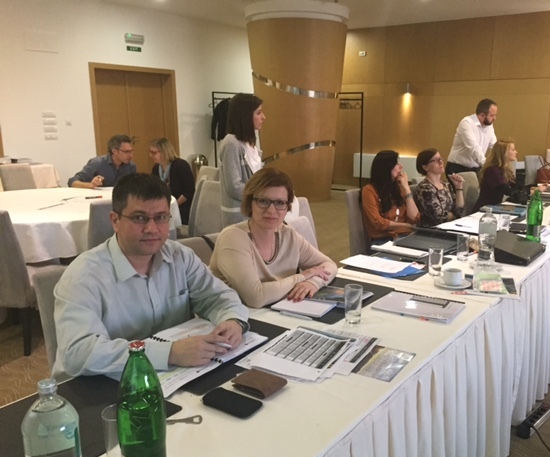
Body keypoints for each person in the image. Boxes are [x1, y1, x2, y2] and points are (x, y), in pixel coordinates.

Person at [53, 173, 249, 378]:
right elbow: (78, 353)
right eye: (139, 218)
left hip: (172, 377)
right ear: (115, 221)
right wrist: (169, 353)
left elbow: (218, 297)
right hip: (101, 385)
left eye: (161, 217)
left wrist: (233, 321)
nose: (152, 229)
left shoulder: (180, 257)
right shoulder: (83, 277)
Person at [210, 168, 337, 309]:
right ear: (250, 203)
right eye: (263, 201)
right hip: (231, 316)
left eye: (280, 203)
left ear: (287, 207)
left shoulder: (289, 235)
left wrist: (313, 282)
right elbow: (256, 298)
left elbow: (329, 265)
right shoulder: (233, 238)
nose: (271, 210)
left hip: (276, 311)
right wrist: (303, 276)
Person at [219, 93, 266, 227]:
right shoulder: (231, 143)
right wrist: (262, 196)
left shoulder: (249, 143)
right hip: (239, 215)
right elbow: (234, 186)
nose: (263, 117)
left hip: (253, 210)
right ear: (245, 116)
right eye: (258, 113)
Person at [361, 150, 420, 244]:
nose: (401, 166)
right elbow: (378, 223)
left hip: (406, 236)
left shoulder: (399, 187)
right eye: (396, 164)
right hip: (384, 239)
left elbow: (414, 218)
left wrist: (407, 189)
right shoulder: (369, 190)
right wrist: (405, 225)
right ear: (386, 167)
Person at [473, 138, 542, 212]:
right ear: (504, 153)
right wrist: (532, 191)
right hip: (484, 210)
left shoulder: (505, 170)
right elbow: (509, 192)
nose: (516, 152)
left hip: (495, 208)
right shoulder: (492, 171)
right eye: (513, 150)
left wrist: (535, 188)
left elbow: (518, 187)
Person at [149, 137, 195, 225]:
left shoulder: (181, 165)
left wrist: (173, 206)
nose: (150, 155)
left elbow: (189, 191)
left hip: (182, 208)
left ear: (164, 152)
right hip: (164, 207)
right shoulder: (156, 168)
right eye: (150, 152)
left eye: (154, 153)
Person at [446, 98, 498, 176]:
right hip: (457, 168)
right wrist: (488, 166)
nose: (494, 118)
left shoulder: (489, 125)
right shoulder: (466, 123)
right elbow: (474, 148)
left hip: (476, 168)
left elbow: (494, 146)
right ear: (482, 115)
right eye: (492, 115)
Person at [414, 149, 465, 227]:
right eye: (435, 160)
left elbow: (460, 210)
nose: (440, 162)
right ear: (425, 167)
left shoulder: (446, 185)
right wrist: (454, 214)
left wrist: (459, 187)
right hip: (433, 230)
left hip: (450, 226)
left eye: (440, 158)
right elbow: (439, 218)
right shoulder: (425, 189)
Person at [68, 134, 137, 188]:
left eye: (131, 151)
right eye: (126, 152)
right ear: (114, 151)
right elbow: (72, 181)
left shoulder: (131, 166)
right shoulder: (97, 163)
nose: (131, 155)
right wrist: (91, 185)